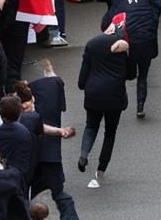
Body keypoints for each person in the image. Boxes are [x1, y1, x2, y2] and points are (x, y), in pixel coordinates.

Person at [95, 0, 161, 118]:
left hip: (121, 37)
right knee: (143, 75)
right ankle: (140, 107)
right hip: (144, 38)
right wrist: (152, 18)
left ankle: (120, 102)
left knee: (119, 73)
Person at [77, 20, 134, 188]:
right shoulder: (123, 47)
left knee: (91, 126)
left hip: (93, 94)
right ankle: (101, 168)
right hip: (114, 96)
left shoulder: (92, 44)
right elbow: (131, 74)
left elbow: (82, 77)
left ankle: (84, 155)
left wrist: (84, 85)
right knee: (110, 132)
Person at [29, 60, 79, 220]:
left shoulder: (30, 112)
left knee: (35, 193)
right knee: (59, 194)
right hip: (52, 156)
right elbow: (56, 81)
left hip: (35, 158)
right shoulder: (54, 93)